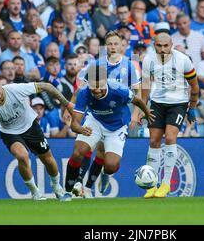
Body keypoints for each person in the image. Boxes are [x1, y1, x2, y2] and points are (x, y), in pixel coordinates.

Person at [0, 72, 76, 201]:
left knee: (47, 158)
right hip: (10, 132)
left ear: (1, 83)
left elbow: (47, 86)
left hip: (30, 125)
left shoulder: (15, 89)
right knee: (22, 156)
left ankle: (56, 187)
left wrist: (67, 104)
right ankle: (35, 192)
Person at [63, 63, 153, 200]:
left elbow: (138, 101)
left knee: (111, 165)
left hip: (117, 127)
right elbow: (74, 123)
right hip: (95, 121)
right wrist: (81, 129)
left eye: (100, 86)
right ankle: (67, 192)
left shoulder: (119, 89)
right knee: (77, 153)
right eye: (93, 87)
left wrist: (146, 113)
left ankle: (105, 173)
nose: (97, 91)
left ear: (106, 82)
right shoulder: (84, 93)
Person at [72, 31, 141, 198]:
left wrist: (135, 115)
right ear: (105, 46)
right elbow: (82, 88)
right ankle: (81, 187)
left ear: (121, 45)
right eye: (109, 44)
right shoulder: (96, 64)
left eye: (116, 44)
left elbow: (138, 92)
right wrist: (71, 106)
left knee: (104, 155)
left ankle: (96, 181)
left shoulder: (130, 65)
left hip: (117, 117)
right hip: (95, 113)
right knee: (87, 147)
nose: (112, 47)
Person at [141, 31, 199, 198]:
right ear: (154, 45)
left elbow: (194, 86)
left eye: (166, 46)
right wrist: (142, 109)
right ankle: (151, 184)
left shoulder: (183, 60)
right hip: (158, 103)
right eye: (159, 46)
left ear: (172, 45)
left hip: (178, 104)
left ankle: (165, 183)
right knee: (153, 140)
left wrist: (192, 107)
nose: (163, 49)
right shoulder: (148, 60)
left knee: (170, 137)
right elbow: (145, 88)